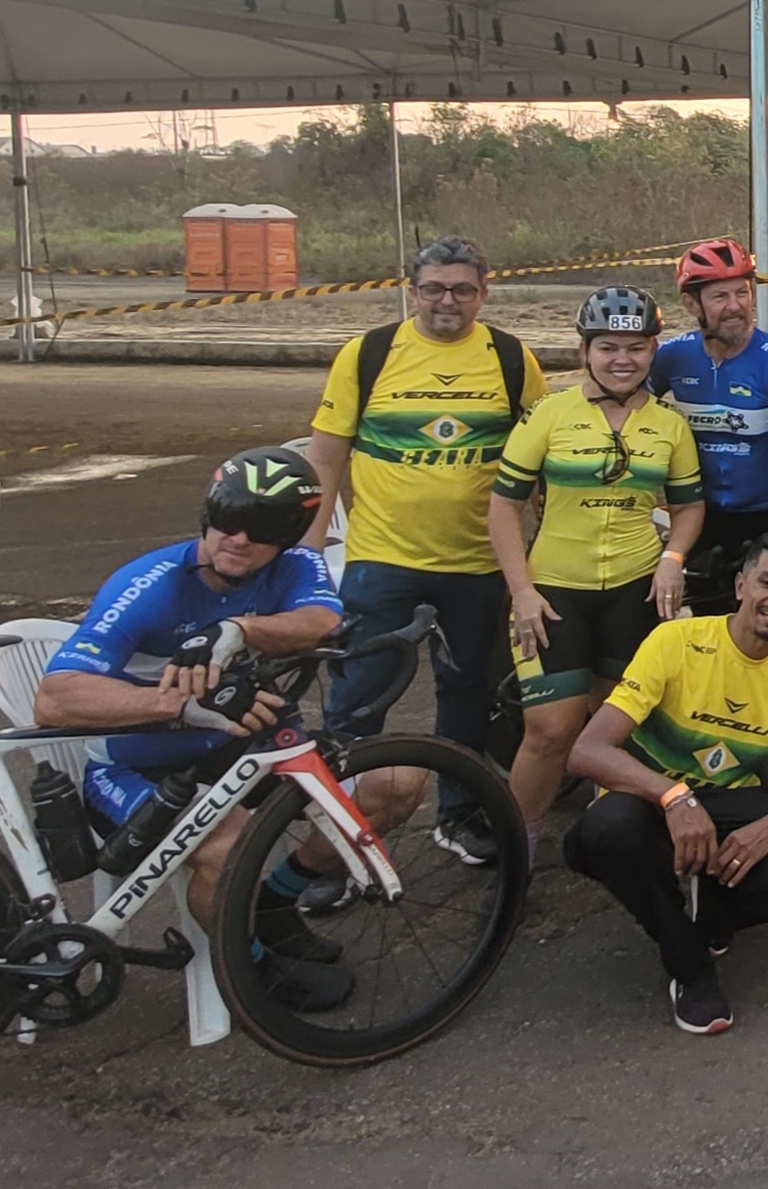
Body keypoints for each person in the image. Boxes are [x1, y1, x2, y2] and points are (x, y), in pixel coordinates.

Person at [36, 448, 371, 1011]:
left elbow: (323, 620)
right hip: (137, 768)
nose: (237, 539)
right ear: (207, 513)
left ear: (289, 537)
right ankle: (251, 970)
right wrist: (178, 707)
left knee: (392, 787)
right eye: (226, 518)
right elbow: (54, 698)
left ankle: (274, 906)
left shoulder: (295, 564)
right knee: (230, 845)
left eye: (262, 528)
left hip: (237, 749)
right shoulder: (150, 586)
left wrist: (238, 628)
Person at [305, 234, 546, 870]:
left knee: (468, 697)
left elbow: (539, 459)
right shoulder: (369, 354)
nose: (448, 301)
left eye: (462, 290)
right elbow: (326, 457)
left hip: (479, 566)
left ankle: (457, 815)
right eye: (434, 289)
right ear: (412, 291)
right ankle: (336, 843)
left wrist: (541, 552)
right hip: (382, 562)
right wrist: (306, 556)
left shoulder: (511, 358)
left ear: (483, 293)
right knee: (357, 700)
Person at [562, 533, 768, 1035]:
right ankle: (692, 970)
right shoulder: (675, 641)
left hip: (728, 801)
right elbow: (587, 751)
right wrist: (674, 796)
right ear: (740, 586)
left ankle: (709, 915)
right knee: (608, 829)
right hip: (650, 798)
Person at [490, 285, 704, 861]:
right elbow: (503, 506)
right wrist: (521, 591)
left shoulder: (670, 424)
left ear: (653, 349)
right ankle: (517, 854)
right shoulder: (549, 413)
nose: (622, 359)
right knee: (550, 730)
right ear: (584, 350)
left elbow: (689, 507)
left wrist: (673, 559)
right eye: (608, 347)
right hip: (554, 592)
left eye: (636, 348)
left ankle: (610, 846)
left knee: (618, 730)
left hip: (634, 591)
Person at [649, 238, 768, 619]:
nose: (735, 306)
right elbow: (627, 407)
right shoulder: (672, 358)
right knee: (711, 634)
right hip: (703, 517)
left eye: (742, 293)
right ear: (691, 304)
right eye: (720, 296)